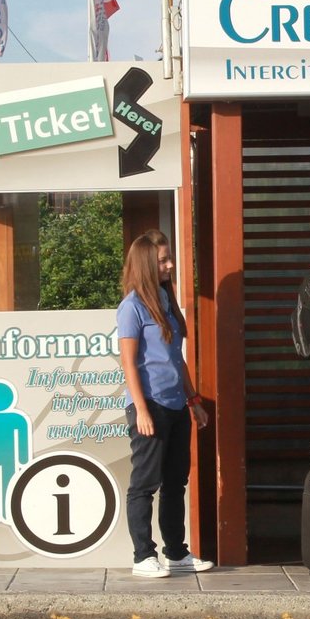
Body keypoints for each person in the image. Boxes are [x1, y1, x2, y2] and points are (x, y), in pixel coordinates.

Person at [118, 229, 213, 578]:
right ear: (146, 263)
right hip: (151, 406)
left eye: (169, 258)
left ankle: (177, 553)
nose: (170, 265)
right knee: (145, 484)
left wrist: (194, 400)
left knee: (176, 483)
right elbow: (128, 362)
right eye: (163, 260)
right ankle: (143, 556)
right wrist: (141, 410)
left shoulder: (164, 299)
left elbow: (177, 359)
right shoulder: (131, 307)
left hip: (175, 404)